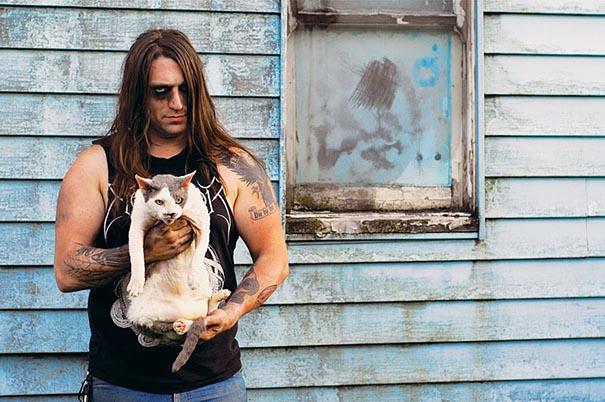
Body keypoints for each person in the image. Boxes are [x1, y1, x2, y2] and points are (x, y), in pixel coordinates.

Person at [53, 29, 288, 401]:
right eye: (161, 91)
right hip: (123, 385)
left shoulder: (232, 165)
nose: (177, 103)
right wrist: (144, 252)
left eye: (185, 90)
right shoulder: (97, 167)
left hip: (214, 384)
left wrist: (230, 312)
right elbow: (66, 272)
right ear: (138, 95)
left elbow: (274, 257)